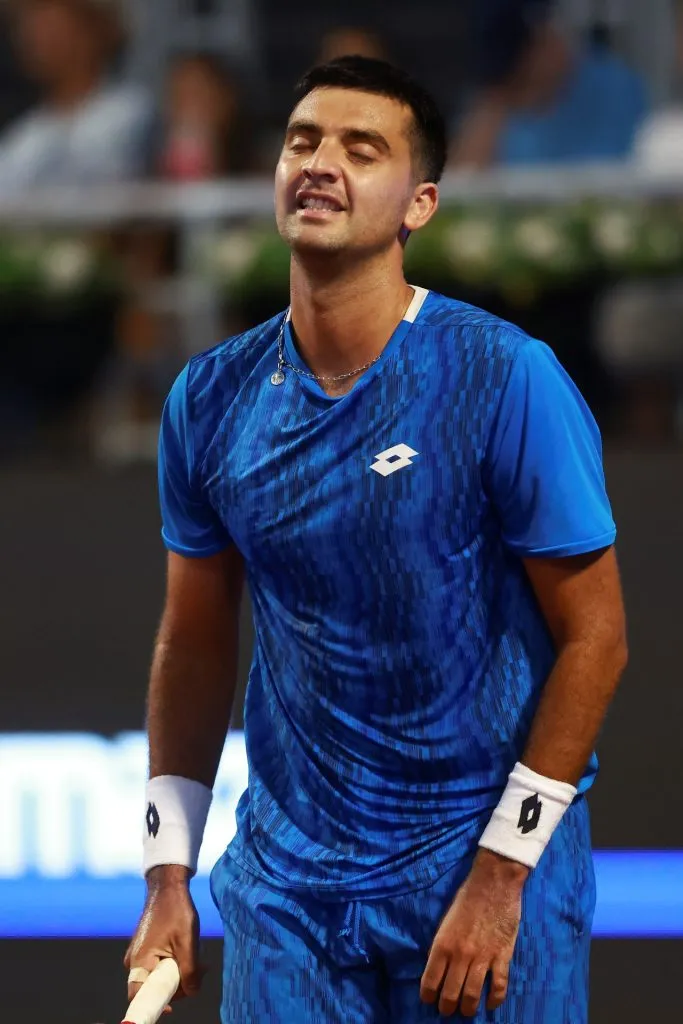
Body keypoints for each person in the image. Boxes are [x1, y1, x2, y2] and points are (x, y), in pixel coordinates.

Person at [125, 56, 628, 1023]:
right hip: (289, 885)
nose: (319, 163)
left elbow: (595, 637)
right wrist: (166, 873)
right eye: (302, 141)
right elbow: (193, 640)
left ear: (419, 204)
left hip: (480, 863)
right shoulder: (210, 397)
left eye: (362, 150)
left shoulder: (506, 377)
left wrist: (500, 872)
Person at [451, 7, 648, 168]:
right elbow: (461, 183)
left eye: (524, 77)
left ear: (545, 40)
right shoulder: (496, 104)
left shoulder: (616, 88)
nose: (521, 93)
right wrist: (493, 108)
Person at [0, 0, 152, 194]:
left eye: (49, 19)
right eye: (28, 20)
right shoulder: (25, 133)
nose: (32, 34)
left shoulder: (132, 112)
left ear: (94, 27)